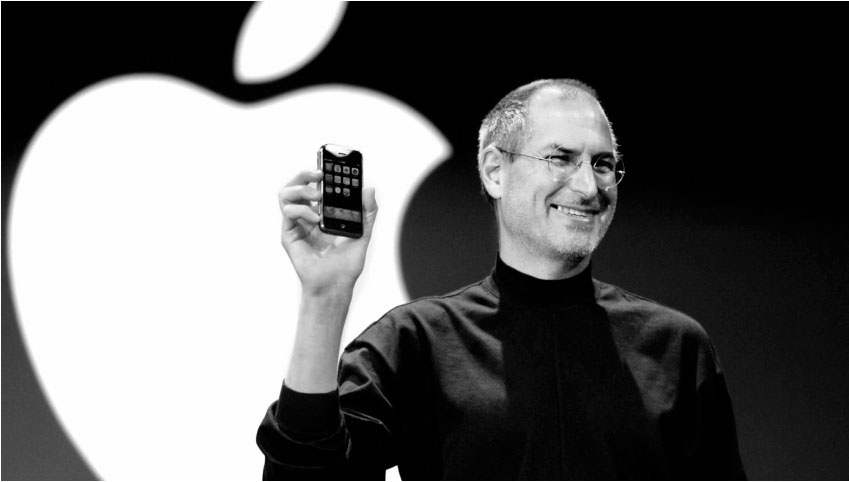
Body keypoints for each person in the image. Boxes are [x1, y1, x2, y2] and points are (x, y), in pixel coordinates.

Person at [257, 79, 746, 480]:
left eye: (602, 164)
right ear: (495, 170)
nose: (588, 186)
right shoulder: (416, 341)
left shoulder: (676, 347)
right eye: (561, 157)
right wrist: (324, 297)